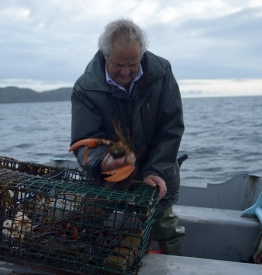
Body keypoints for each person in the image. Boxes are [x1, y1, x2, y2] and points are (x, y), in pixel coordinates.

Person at [70, 17, 185, 255]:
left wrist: (156, 170)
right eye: (119, 64)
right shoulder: (85, 88)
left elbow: (170, 128)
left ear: (142, 55)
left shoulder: (162, 73)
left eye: (133, 65)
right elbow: (84, 140)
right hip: (111, 171)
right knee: (88, 221)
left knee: (165, 226)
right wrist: (104, 162)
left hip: (157, 167)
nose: (126, 72)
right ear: (105, 55)